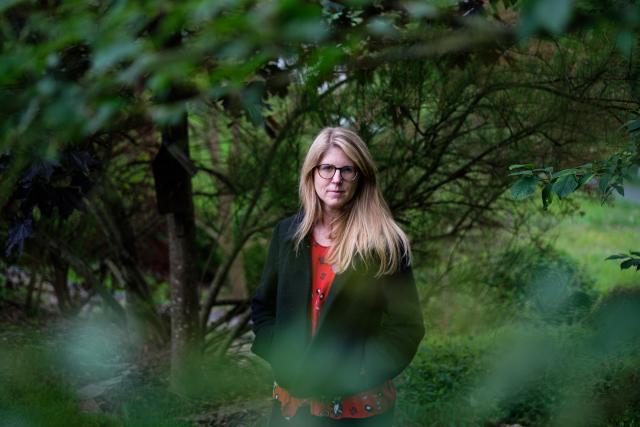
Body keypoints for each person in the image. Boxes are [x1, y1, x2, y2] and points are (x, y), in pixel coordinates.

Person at [251, 127, 424, 426]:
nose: (336, 179)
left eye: (348, 170)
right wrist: (281, 354)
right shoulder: (287, 235)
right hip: (293, 404)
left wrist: (360, 369)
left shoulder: (384, 245)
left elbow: (406, 327)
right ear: (312, 173)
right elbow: (263, 307)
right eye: (327, 168)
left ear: (362, 177)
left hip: (358, 407)